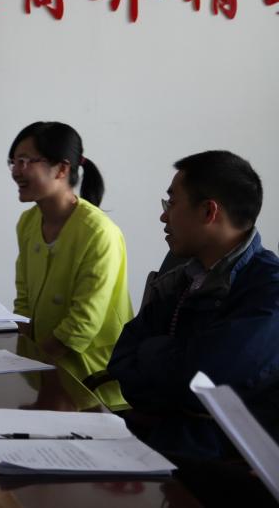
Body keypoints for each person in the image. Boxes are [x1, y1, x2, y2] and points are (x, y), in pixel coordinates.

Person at [108, 150, 279, 460]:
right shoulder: (184, 277)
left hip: (219, 464)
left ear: (208, 211)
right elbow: (121, 360)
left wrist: (152, 350)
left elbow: (203, 384)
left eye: (171, 203)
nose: (163, 216)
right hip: (161, 441)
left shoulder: (268, 290)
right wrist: (175, 362)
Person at [9, 121, 132, 408]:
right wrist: (18, 356)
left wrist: (32, 360)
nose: (16, 171)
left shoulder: (98, 232)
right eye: (13, 162)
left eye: (26, 161)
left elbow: (83, 323)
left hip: (91, 379)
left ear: (62, 169)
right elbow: (24, 301)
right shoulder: (28, 222)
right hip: (44, 369)